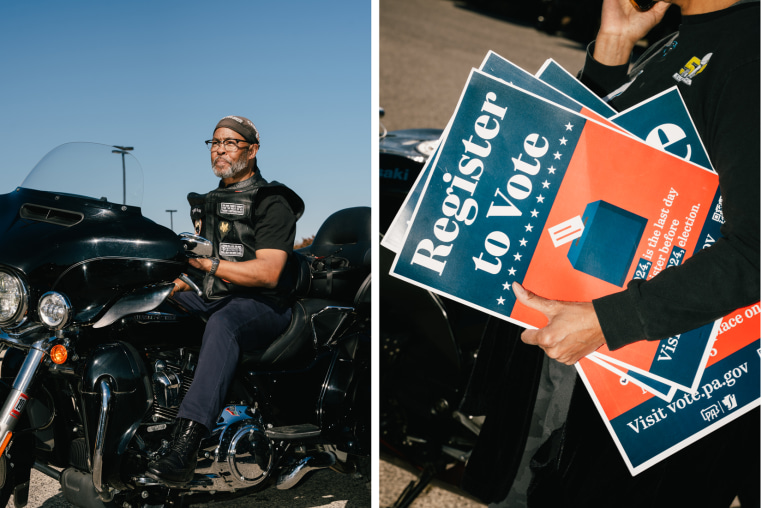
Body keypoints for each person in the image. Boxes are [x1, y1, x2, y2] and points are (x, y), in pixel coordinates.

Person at [462, 1, 759, 506]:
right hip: (585, 337)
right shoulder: (684, 35)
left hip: (639, 374)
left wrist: (609, 320)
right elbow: (607, 156)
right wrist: (613, 51)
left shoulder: (750, 52)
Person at [147, 115, 304, 486]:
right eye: (215, 142)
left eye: (231, 142)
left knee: (225, 323)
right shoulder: (209, 202)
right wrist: (172, 286)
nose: (220, 149)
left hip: (264, 305)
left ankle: (185, 447)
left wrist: (210, 265)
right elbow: (199, 272)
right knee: (144, 308)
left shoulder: (272, 201)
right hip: (214, 295)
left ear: (252, 150)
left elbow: (268, 272)